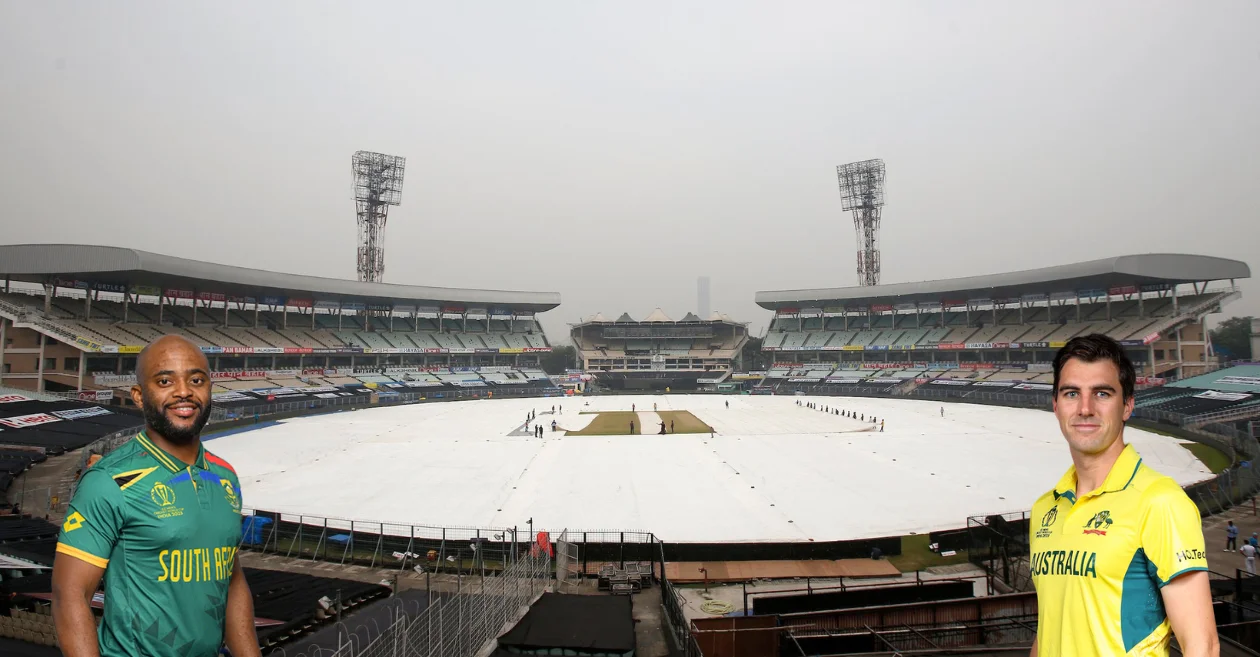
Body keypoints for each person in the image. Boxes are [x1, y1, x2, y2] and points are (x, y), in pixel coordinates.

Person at [52, 335, 260, 657]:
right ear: (138, 396)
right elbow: (70, 595)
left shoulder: (225, 476)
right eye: (165, 380)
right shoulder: (108, 480)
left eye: (196, 380)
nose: (183, 391)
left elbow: (231, 581)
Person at [1029, 335, 1216, 656]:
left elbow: (1203, 645)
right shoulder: (1045, 508)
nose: (1085, 408)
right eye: (1072, 393)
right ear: (1056, 405)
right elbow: (1052, 626)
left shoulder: (1159, 501)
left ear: (1127, 405)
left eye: (1102, 393)